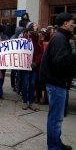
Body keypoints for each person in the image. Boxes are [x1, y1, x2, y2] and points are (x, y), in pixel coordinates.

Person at [40, 13, 76, 150]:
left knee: (56, 118)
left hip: (57, 82)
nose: (73, 25)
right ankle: (54, 147)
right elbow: (60, 61)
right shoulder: (60, 38)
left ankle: (56, 143)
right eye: (72, 22)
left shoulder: (61, 37)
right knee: (56, 118)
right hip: (56, 84)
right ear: (65, 24)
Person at [20, 22, 43, 111]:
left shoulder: (39, 38)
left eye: (37, 27)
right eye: (34, 27)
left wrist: (36, 63)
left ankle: (31, 102)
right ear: (30, 28)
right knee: (25, 83)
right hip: (25, 65)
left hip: (34, 66)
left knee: (33, 83)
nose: (35, 29)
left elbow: (40, 52)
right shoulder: (24, 38)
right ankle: (25, 101)